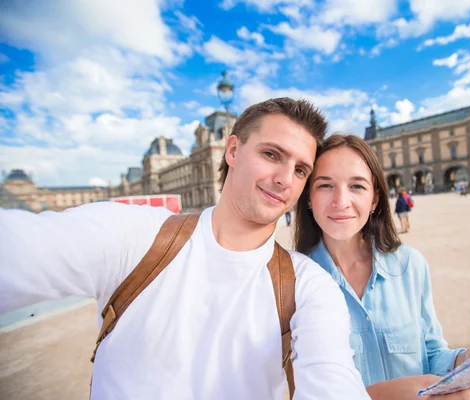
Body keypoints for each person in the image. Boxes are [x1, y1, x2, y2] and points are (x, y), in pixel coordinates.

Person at [0, 99, 371, 399]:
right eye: (272, 154)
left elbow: (332, 377)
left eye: (301, 170)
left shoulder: (309, 288)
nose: (284, 179)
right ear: (232, 150)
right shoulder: (134, 237)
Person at [294, 134, 470, 400]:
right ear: (309, 198)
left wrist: (466, 361)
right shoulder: (292, 281)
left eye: (357, 186)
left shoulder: (409, 265)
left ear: (375, 200)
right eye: (325, 186)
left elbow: (431, 353)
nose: (341, 201)